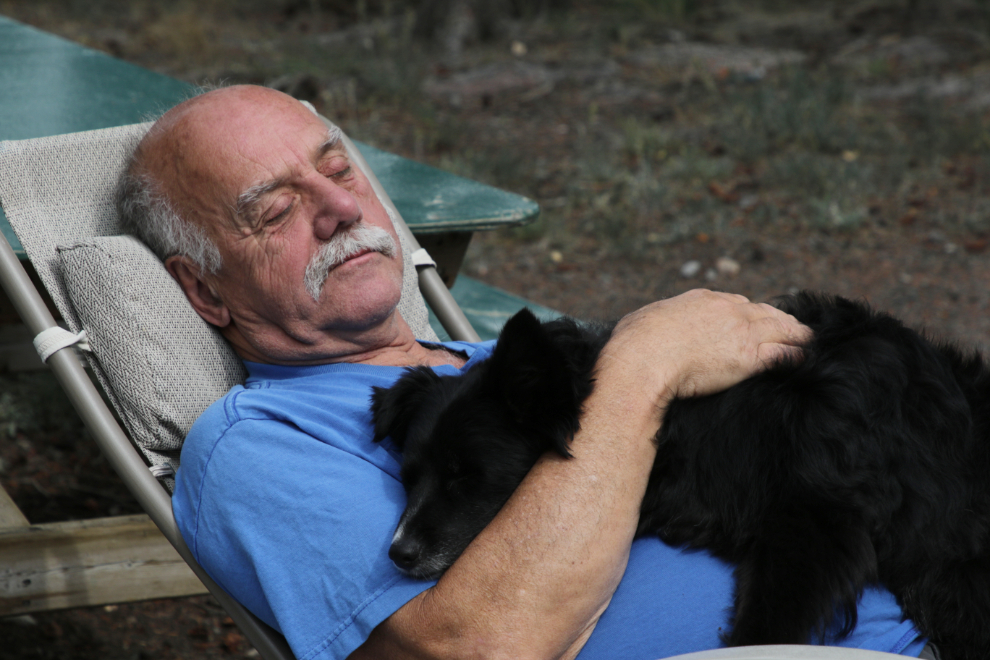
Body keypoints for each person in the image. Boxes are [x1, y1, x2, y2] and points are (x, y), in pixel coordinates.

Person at [118, 84, 929, 660]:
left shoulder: (498, 368)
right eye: (275, 210)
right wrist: (646, 364)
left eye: (336, 170)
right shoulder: (257, 446)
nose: (341, 209)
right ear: (204, 288)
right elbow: (480, 650)